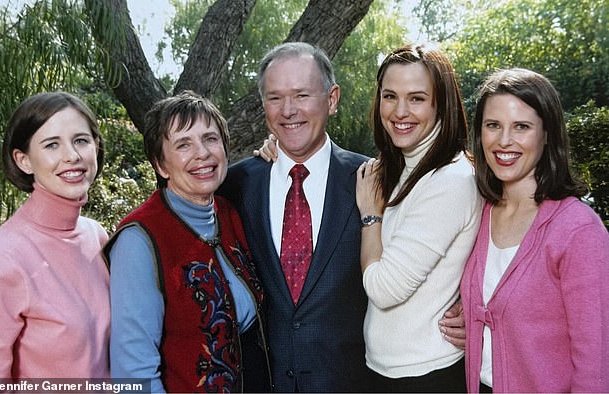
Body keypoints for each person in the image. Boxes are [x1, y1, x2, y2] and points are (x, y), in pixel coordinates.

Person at [217, 42, 372, 392]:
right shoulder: (236, 185)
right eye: (275, 98)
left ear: (331, 99)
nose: (288, 110)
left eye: (302, 95)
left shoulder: (372, 179)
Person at [105, 90, 269, 393]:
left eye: (210, 139)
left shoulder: (229, 212)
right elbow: (134, 372)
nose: (202, 153)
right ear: (161, 165)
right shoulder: (139, 240)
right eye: (184, 144)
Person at [461, 68, 609, 393]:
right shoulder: (479, 212)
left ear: (547, 134)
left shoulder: (578, 229)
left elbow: (595, 366)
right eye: (493, 125)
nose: (503, 141)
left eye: (522, 127)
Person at [355, 44, 482, 392]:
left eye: (417, 98)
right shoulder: (403, 169)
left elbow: (383, 289)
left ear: (441, 103)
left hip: (425, 376)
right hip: (387, 370)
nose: (399, 111)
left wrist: (371, 217)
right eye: (390, 96)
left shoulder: (451, 180)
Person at [0, 92, 110, 380]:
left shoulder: (96, 237)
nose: (71, 155)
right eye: (52, 145)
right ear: (23, 160)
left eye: (81, 140)